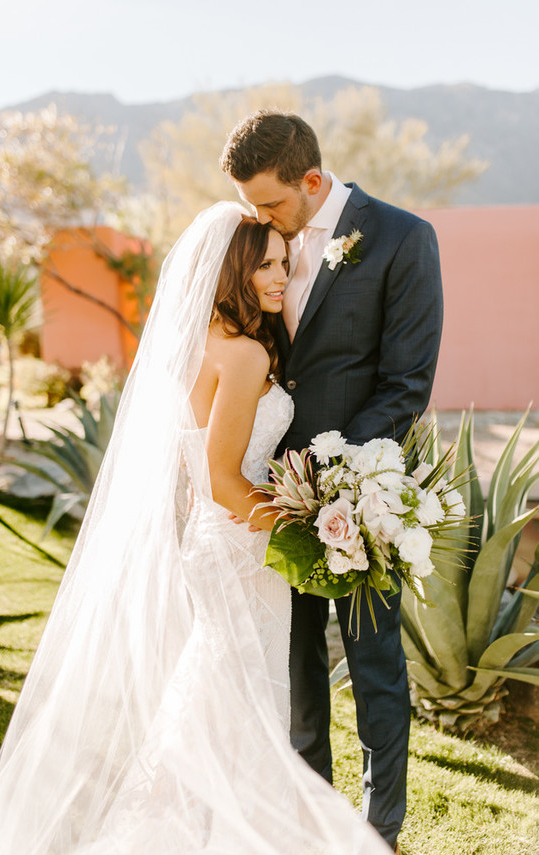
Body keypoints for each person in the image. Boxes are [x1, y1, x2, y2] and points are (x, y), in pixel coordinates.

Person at [0, 202, 390, 854]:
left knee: (215, 695)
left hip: (211, 542)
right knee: (244, 704)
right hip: (241, 547)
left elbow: (203, 476)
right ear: (235, 272)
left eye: (287, 262)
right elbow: (224, 479)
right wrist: (314, 531)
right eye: (270, 265)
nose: (284, 276)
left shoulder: (197, 347)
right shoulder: (246, 354)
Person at [220, 110, 444, 852]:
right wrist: (280, 486)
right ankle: (309, 813)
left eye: (272, 204)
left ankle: (380, 828)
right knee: (297, 658)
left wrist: (332, 476)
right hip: (273, 497)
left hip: (358, 492)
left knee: (375, 662)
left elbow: (405, 383)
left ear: (312, 181)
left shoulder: (404, 239)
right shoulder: (265, 247)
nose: (260, 220)